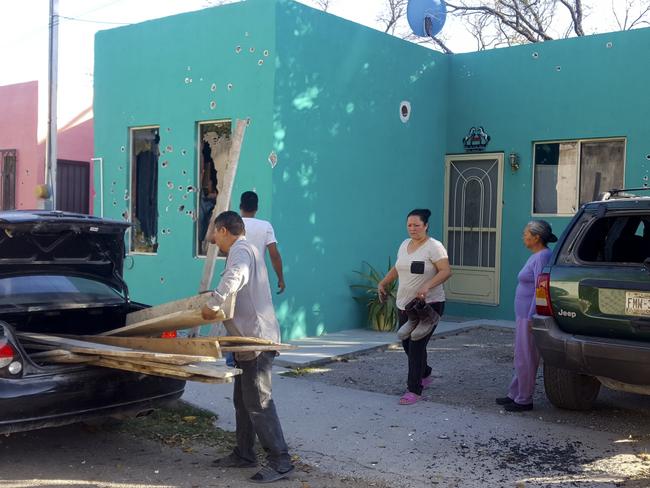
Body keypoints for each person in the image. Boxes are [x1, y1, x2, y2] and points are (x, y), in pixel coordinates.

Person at [201, 211, 293, 483]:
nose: (214, 240)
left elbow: (235, 277)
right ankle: (244, 453)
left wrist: (214, 302)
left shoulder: (241, 250)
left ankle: (281, 461)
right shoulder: (245, 248)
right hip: (246, 340)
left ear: (224, 231)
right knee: (243, 401)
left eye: (215, 234)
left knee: (259, 401)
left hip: (257, 339)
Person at [377, 208, 452, 405]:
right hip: (405, 304)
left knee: (417, 346)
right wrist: (383, 282)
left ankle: (414, 389)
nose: (412, 229)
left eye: (417, 225)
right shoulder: (404, 245)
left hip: (429, 305)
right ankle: (425, 372)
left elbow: (445, 271)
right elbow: (398, 267)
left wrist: (427, 285)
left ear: (426, 225)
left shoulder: (434, 247)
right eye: (409, 225)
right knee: (407, 344)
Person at [496, 220, 556, 412]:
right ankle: (515, 393)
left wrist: (533, 316)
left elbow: (541, 288)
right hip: (522, 315)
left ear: (536, 237)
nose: (523, 237)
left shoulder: (542, 256)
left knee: (527, 356)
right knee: (520, 355)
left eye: (526, 233)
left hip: (528, 316)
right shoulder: (536, 256)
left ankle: (524, 399)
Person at [239, 191, 285, 294]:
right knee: (261, 309)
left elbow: (214, 241)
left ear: (240, 206)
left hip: (235, 277)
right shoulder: (265, 226)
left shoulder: (232, 224)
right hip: (258, 279)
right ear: (257, 208)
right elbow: (274, 255)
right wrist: (280, 278)